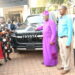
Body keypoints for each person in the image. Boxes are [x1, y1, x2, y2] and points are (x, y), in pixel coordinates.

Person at [58, 6, 73, 74]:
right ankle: (64, 65)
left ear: (65, 10)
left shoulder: (68, 18)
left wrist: (68, 42)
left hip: (66, 38)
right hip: (60, 38)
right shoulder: (60, 18)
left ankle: (67, 68)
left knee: (67, 54)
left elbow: (70, 31)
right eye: (59, 9)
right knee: (62, 53)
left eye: (61, 9)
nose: (59, 10)